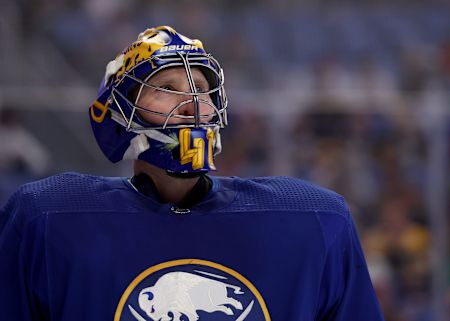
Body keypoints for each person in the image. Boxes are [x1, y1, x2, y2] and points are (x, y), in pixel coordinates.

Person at [0, 26, 385, 321]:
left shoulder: (314, 218)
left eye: (200, 89)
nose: (190, 104)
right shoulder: (45, 218)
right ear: (118, 118)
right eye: (166, 88)